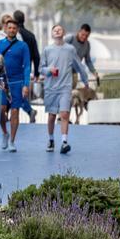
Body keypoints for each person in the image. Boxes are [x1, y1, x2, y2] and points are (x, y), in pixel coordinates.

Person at [41, 25, 89, 153]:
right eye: (55, 29)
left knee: (64, 114)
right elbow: (41, 69)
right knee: (51, 116)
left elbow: (79, 65)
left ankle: (64, 142)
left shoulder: (70, 49)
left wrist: (85, 81)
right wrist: (49, 70)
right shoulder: (47, 50)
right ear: (52, 33)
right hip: (51, 87)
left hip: (65, 88)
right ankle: (51, 140)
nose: (57, 31)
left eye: (60, 29)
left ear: (64, 33)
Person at [0, 20, 32, 152]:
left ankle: (12, 140)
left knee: (15, 111)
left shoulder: (23, 46)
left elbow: (27, 66)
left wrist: (26, 84)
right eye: (9, 27)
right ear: (5, 29)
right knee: (1, 110)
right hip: (2, 82)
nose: (11, 30)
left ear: (17, 30)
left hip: (17, 83)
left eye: (14, 28)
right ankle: (5, 133)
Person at [13, 11, 41, 124]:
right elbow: (36, 56)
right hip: (25, 70)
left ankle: (27, 111)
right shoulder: (30, 36)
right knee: (19, 92)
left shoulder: (13, 34)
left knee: (14, 92)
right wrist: (37, 73)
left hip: (14, 69)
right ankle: (28, 111)